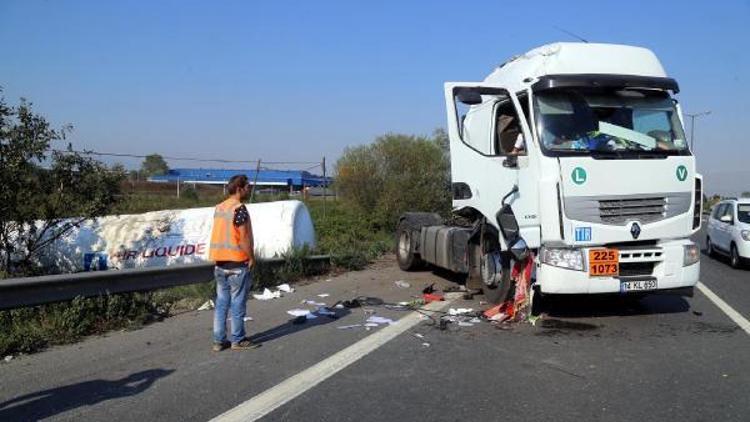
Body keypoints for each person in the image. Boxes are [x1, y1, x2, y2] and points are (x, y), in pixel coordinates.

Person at [209, 174, 258, 351]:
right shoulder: (239, 209)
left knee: (222, 303)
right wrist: (251, 257)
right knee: (237, 302)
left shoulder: (219, 208)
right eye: (247, 187)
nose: (249, 190)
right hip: (237, 263)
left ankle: (219, 341)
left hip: (220, 263)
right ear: (239, 189)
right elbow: (243, 237)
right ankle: (238, 339)